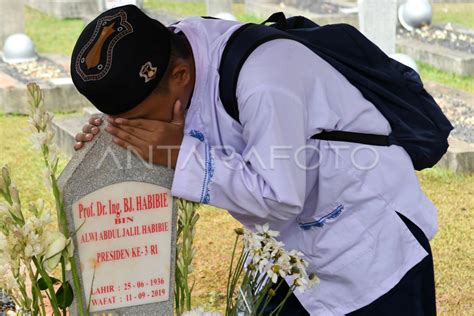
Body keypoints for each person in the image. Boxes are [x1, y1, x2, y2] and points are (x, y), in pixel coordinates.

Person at [72, 5, 437, 316]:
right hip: (286, 256)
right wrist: (109, 140)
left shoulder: (265, 80)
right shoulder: (175, 52)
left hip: (368, 245)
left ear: (180, 76)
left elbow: (279, 197)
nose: (136, 129)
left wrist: (179, 153)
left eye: (138, 119)